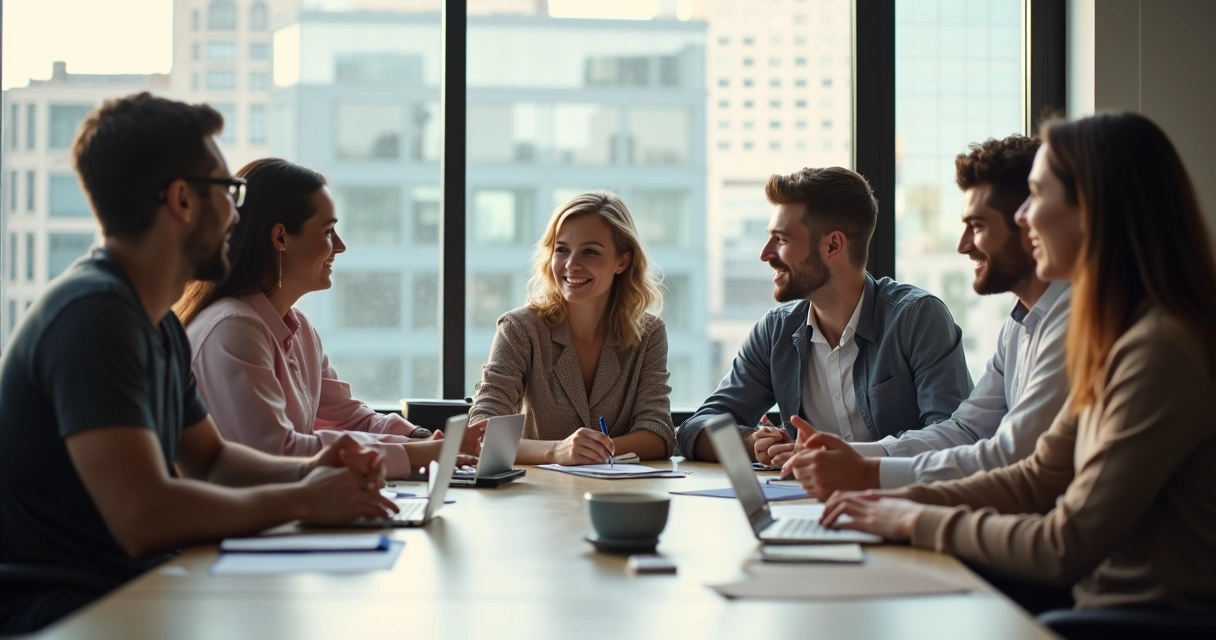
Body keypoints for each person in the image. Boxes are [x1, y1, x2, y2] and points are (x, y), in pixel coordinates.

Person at [0, 94, 396, 635]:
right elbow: (144, 516)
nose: (237, 214)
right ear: (183, 200)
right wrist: (304, 498)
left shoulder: (156, 322)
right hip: (69, 611)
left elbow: (212, 461)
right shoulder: (94, 316)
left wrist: (314, 470)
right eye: (229, 192)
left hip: (133, 588)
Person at [820, 112, 1216, 614]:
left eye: (1037, 195)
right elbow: (1036, 476)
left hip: (1134, 622)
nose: (1024, 217)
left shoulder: (1159, 350)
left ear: (1094, 210)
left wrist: (911, 518)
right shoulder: (1115, 335)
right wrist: (899, 500)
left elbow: (1064, 544)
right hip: (1095, 607)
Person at [785, 135, 1072, 499]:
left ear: (1029, 226)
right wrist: (851, 456)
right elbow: (966, 431)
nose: (962, 245)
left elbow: (1010, 455)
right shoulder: (1018, 325)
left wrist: (869, 473)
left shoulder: (1071, 324)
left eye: (978, 227)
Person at [175, 158, 481, 479]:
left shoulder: (299, 329)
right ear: (280, 238)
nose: (341, 246)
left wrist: (424, 439)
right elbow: (279, 453)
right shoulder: (233, 329)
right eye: (328, 231)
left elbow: (349, 417)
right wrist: (416, 453)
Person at [677, 167, 973, 463]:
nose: (765, 254)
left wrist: (847, 458)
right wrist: (753, 441)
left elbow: (956, 438)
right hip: (805, 494)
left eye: (781, 240)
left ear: (833, 245)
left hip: (902, 492)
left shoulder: (917, 319)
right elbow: (694, 429)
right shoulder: (776, 331)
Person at [469, 191, 674, 465]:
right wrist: (557, 452)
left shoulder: (649, 334)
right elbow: (482, 434)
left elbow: (658, 435)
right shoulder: (519, 329)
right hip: (537, 490)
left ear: (622, 262)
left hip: (618, 489)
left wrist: (591, 452)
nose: (571, 265)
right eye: (562, 249)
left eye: (590, 252)